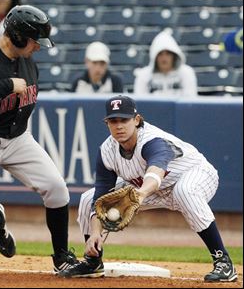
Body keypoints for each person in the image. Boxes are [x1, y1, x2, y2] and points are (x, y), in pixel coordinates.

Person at [0, 5, 79, 272]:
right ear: (18, 36)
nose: (39, 47)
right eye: (35, 41)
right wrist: (6, 86)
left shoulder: (28, 63)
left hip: (16, 139)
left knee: (57, 188)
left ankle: (61, 257)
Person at [59, 95, 238, 282]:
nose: (119, 125)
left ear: (136, 120)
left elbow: (155, 172)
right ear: (107, 124)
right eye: (113, 121)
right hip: (148, 189)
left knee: (185, 192)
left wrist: (140, 194)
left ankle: (223, 261)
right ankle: (92, 261)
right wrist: (96, 232)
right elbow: (100, 196)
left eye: (124, 120)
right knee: (88, 198)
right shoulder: (107, 150)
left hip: (194, 174)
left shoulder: (152, 140)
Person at [134, 31, 198, 97]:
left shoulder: (186, 73)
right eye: (160, 54)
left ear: (174, 56)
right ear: (155, 57)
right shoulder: (144, 75)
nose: (164, 58)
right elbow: (140, 102)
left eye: (168, 54)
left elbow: (190, 101)